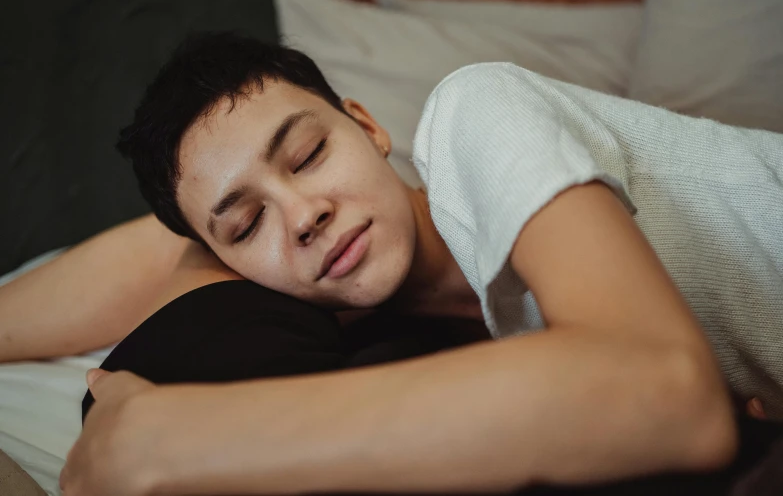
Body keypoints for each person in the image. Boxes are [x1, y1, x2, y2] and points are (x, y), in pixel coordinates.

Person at [1, 31, 781, 495]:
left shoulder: (475, 112)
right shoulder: (354, 315)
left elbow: (665, 395)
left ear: (368, 126)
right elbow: (156, 255)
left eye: (308, 154)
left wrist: (176, 437)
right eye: (245, 224)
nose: (303, 215)